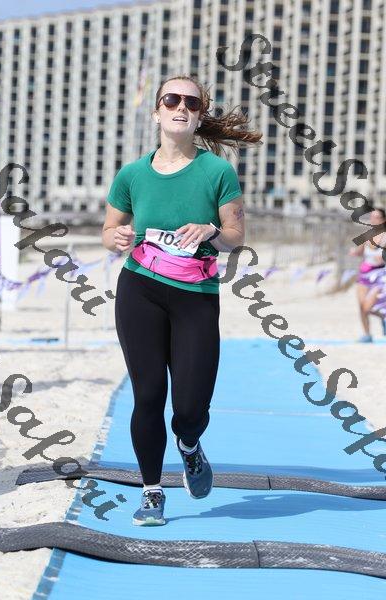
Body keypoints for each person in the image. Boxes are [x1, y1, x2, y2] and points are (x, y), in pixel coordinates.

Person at [101, 75, 262, 526]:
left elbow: (235, 236)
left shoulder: (217, 172)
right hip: (140, 289)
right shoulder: (132, 174)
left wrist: (212, 231)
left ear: (199, 116)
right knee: (149, 393)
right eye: (171, 100)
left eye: (192, 103)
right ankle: (151, 491)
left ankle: (189, 445)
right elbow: (108, 230)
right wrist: (116, 237)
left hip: (196, 297)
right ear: (157, 112)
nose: (181, 107)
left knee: (191, 408)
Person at [349, 207, 386, 342]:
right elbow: (359, 252)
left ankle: (383, 317)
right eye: (371, 217)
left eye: (376, 217)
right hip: (364, 275)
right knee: (361, 306)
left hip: (379, 276)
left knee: (367, 306)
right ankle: (367, 334)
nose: (373, 220)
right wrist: (354, 252)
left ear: (383, 220)